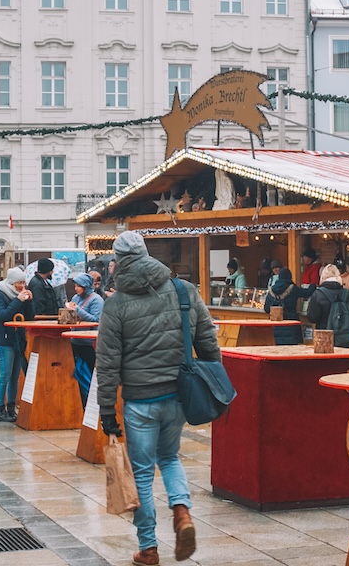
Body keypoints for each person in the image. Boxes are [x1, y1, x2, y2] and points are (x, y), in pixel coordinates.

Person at [97, 231, 218, 565]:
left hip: (139, 402)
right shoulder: (183, 290)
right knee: (170, 457)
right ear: (148, 254)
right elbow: (207, 340)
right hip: (178, 395)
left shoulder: (116, 304)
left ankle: (149, 548)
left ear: (117, 262)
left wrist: (107, 409)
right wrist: (212, 377)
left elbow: (107, 364)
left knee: (142, 473)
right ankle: (182, 512)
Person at [0, 267, 34, 423]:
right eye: (18, 283)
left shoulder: (19, 296)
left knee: (15, 376)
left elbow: (30, 317)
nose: (21, 286)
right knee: (5, 376)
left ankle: (11, 408)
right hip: (4, 340)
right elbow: (3, 316)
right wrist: (18, 301)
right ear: (11, 283)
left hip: (18, 339)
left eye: (23, 282)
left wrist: (29, 301)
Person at [68, 273, 103, 406]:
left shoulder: (96, 300)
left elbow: (96, 319)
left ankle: (90, 402)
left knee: (88, 373)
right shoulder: (76, 298)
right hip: (75, 340)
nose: (76, 289)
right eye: (75, 285)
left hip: (88, 342)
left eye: (79, 286)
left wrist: (77, 310)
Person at [306, 264, 349, 340]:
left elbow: (312, 318)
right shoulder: (347, 294)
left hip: (324, 338)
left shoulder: (318, 294)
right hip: (344, 337)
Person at [264, 268, 303, 345]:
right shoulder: (293, 289)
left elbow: (266, 309)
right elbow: (307, 292)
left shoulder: (271, 290)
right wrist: (313, 285)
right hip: (291, 327)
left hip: (275, 328)